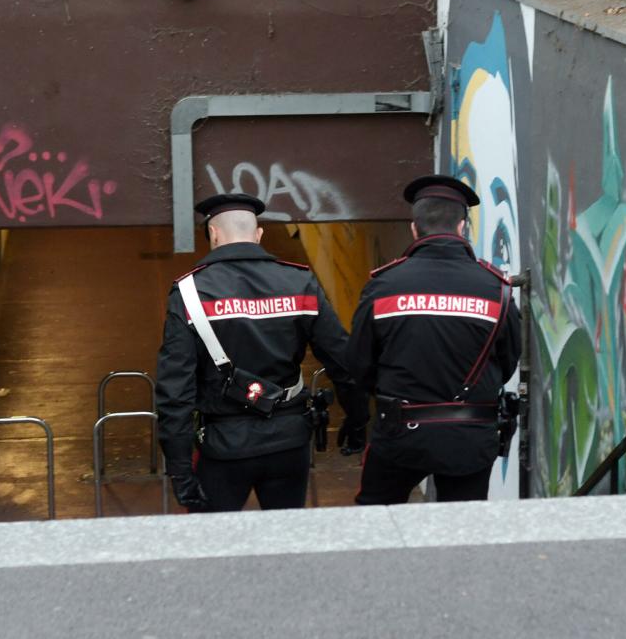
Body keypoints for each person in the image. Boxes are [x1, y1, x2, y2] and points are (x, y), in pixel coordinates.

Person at [155, 193, 368, 512]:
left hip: (224, 447)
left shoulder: (189, 294)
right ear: (258, 235)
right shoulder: (300, 283)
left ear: (213, 234)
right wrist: (357, 419)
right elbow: (343, 361)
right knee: (285, 539)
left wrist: (180, 467)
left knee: (213, 546)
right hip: (289, 442)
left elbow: (175, 392)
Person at [347, 175, 521, 504]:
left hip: (398, 435)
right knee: (461, 533)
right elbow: (508, 360)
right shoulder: (496, 289)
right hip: (470, 438)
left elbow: (359, 364)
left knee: (375, 524)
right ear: (463, 227)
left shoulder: (383, 286)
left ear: (415, 229)